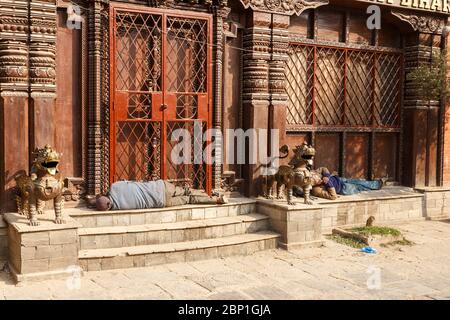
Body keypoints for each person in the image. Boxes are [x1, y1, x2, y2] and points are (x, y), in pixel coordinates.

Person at [94, 180, 227, 211]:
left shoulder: (119, 207)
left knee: (189, 199)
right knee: (187, 190)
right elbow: (129, 182)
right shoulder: (115, 187)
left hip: (162, 202)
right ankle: (212, 196)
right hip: (160, 187)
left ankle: (216, 200)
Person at [296, 167, 384, 200]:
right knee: (360, 187)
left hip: (340, 179)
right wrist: (328, 184)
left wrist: (326, 176)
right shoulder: (316, 190)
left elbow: (324, 168)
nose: (318, 179)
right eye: (315, 181)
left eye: (316, 177)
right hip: (343, 189)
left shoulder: (314, 173)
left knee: (359, 181)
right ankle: (377, 185)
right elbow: (333, 197)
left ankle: (376, 184)